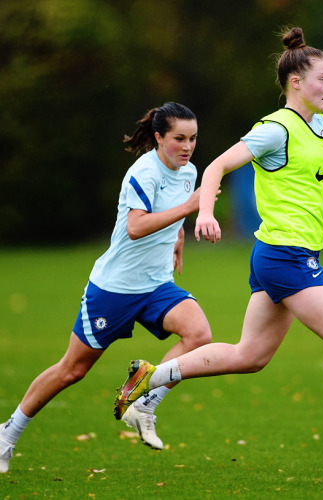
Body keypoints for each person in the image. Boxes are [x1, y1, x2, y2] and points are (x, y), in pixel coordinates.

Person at [113, 28, 323, 475]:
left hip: (283, 257)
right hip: (286, 257)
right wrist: (207, 213)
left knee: (249, 356)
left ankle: (152, 376)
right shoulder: (276, 129)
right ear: (297, 82)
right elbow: (217, 165)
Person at [0, 102, 214, 473]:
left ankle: (143, 406)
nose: (187, 146)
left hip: (157, 284)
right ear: (159, 137)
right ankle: (7, 435)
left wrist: (178, 234)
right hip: (114, 289)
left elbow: (174, 207)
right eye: (179, 138)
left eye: (193, 138)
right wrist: (187, 210)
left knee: (198, 335)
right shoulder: (143, 172)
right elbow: (136, 226)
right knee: (72, 370)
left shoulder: (187, 170)